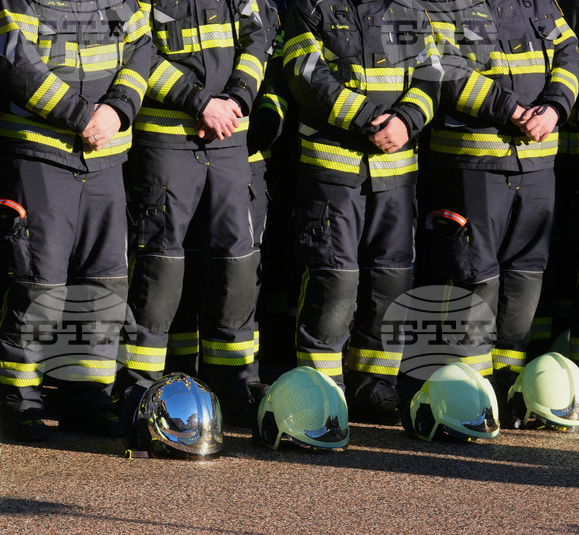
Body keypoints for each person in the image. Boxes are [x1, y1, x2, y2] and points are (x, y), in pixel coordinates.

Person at [0, 0, 151, 440]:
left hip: (105, 154)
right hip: (40, 151)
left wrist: (118, 109)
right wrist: (82, 117)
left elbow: (141, 47)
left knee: (103, 281)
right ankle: (19, 399)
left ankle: (88, 397)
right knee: (38, 283)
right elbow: (16, 62)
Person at [116, 0, 275, 425]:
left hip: (229, 137)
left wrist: (236, 100)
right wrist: (200, 102)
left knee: (237, 263)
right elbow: (138, 48)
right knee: (160, 264)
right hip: (166, 136)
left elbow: (257, 37)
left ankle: (232, 386)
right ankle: (143, 387)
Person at [283, 0, 441, 422]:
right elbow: (304, 72)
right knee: (334, 278)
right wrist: (371, 119)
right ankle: (321, 388)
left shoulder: (408, 6)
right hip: (333, 166)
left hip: (396, 168)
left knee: (391, 278)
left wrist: (406, 119)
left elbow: (431, 72)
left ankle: (374, 384)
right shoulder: (311, 5)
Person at [423, 0, 579, 399]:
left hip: (537, 161)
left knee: (525, 277)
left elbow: (567, 48)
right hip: (472, 161)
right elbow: (442, 67)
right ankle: (469, 389)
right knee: (474, 277)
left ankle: (509, 385)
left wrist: (555, 107)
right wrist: (511, 109)